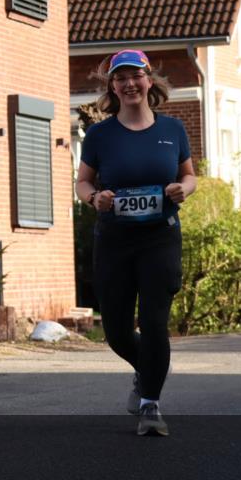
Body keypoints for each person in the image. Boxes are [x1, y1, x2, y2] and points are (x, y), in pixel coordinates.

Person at [75, 49, 197, 437]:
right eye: (120, 78)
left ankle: (150, 405)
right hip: (114, 240)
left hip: (160, 237)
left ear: (149, 80)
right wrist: (96, 198)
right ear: (112, 86)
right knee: (116, 331)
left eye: (136, 76)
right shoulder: (99, 134)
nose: (129, 84)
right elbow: (83, 182)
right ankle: (149, 365)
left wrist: (183, 190)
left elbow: (190, 175)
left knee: (155, 322)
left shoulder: (172, 130)